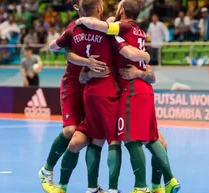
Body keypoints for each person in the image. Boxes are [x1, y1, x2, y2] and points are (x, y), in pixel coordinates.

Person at [76, 1, 180, 193]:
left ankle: (141, 187)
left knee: (130, 139)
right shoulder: (138, 31)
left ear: (122, 11)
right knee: (152, 139)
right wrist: (145, 60)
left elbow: (112, 34)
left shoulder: (117, 32)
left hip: (130, 92)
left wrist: (81, 18)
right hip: (141, 90)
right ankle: (167, 182)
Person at [48, 0, 151, 193]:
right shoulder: (109, 33)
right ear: (99, 8)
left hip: (88, 90)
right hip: (108, 92)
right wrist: (145, 56)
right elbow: (129, 52)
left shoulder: (74, 31)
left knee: (88, 139)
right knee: (114, 140)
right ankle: (113, 189)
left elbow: (56, 49)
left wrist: (85, 64)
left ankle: (75, 186)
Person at [38, 0, 110, 193]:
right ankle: (46, 170)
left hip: (94, 87)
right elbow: (62, 51)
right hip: (73, 84)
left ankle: (93, 186)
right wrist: (87, 61)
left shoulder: (105, 28)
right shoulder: (73, 28)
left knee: (92, 137)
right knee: (70, 131)